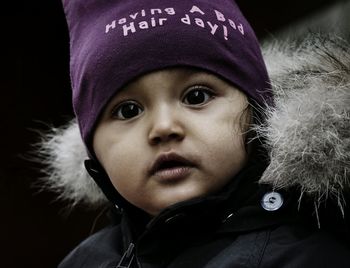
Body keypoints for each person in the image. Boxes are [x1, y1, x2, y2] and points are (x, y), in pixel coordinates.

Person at [40, 0, 350, 267]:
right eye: (128, 111)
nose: (163, 128)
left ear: (257, 113)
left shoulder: (306, 258)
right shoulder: (84, 261)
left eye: (196, 97)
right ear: (93, 149)